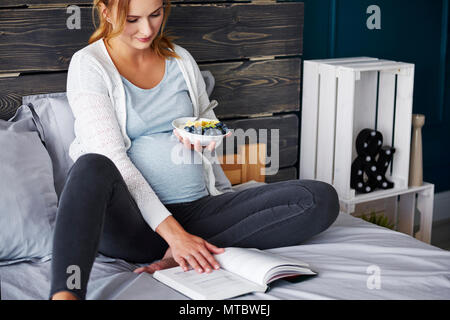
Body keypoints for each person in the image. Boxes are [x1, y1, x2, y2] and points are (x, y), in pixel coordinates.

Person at [49, 0, 340, 300]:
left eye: (155, 14)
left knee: (318, 199)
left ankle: (184, 248)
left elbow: (207, 121)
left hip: (198, 211)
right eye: (133, 19)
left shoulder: (181, 60)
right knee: (93, 165)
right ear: (106, 11)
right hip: (132, 225)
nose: (147, 29)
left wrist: (207, 135)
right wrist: (175, 235)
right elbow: (114, 160)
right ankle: (66, 295)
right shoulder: (90, 64)